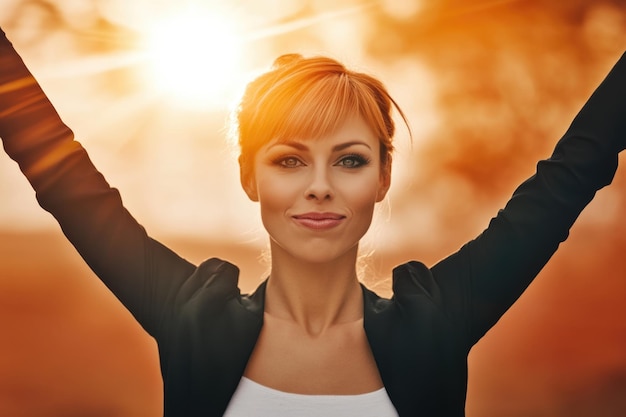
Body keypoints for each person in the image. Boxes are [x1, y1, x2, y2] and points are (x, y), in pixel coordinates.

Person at [1, 25, 624, 417]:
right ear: (251, 178)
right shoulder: (191, 319)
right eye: (290, 160)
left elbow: (570, 175)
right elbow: (64, 180)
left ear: (383, 176)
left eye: (349, 160)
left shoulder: (437, 323)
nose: (319, 187)